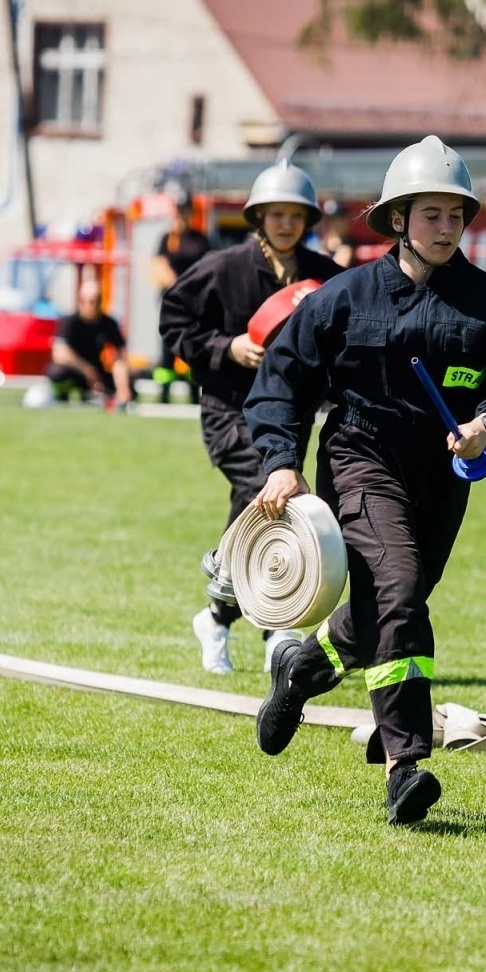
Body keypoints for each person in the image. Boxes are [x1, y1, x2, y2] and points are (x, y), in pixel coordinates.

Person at [243, 135, 486, 825]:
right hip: (360, 457)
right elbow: (282, 379)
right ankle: (405, 765)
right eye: (431, 215)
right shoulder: (344, 297)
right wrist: (280, 461)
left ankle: (300, 671)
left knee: (385, 608)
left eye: (456, 216)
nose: (446, 229)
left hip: (443, 476)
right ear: (398, 219)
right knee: (403, 591)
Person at [160, 161, 344, 674]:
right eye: (275, 214)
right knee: (269, 493)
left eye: (295, 215)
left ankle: (219, 616)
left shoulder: (325, 275)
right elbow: (173, 319)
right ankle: (276, 625)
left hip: (290, 418)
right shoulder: (223, 268)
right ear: (257, 216)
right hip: (228, 412)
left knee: (264, 504)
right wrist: (227, 346)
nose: (286, 224)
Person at [45, 267, 134, 406]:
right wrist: (87, 370)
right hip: (76, 371)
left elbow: (121, 356)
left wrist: (123, 385)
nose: (92, 305)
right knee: (57, 373)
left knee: (132, 383)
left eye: (96, 300)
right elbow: (59, 354)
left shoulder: (109, 324)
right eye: (89, 301)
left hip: (99, 373)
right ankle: (63, 394)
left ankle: (110, 395)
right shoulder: (69, 322)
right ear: (80, 301)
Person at [151, 211, 211, 293]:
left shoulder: (199, 238)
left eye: (186, 211)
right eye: (180, 212)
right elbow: (159, 266)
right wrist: (174, 283)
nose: (183, 216)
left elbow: (208, 264)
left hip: (194, 291)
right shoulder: (168, 238)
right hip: (172, 291)